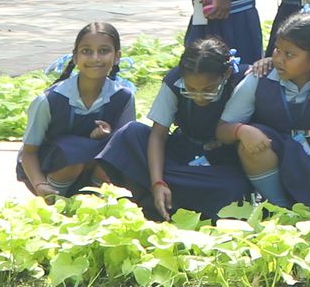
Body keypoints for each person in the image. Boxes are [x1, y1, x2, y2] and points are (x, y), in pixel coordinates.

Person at [222, 14, 310, 220]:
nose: (278, 59)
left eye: (290, 54)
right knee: (252, 143)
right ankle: (280, 210)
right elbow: (222, 128)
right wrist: (240, 130)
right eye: (277, 50)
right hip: (277, 147)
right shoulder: (260, 76)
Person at [98, 32, 249, 219]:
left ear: (226, 74)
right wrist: (157, 182)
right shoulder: (174, 80)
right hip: (182, 151)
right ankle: (161, 192)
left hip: (220, 162)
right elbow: (158, 135)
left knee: (233, 187)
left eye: (208, 90)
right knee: (130, 134)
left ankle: (160, 197)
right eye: (191, 90)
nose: (199, 97)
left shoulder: (243, 81)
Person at [16, 22, 133, 201]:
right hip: (45, 174)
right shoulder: (50, 100)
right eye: (86, 51)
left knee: (114, 151)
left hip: (93, 172)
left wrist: (107, 136)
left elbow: (125, 147)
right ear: (75, 57)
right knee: (73, 154)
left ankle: (94, 200)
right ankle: (56, 201)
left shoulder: (123, 97)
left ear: (117, 57)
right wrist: (40, 184)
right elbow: (29, 152)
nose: (95, 58)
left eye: (104, 51)